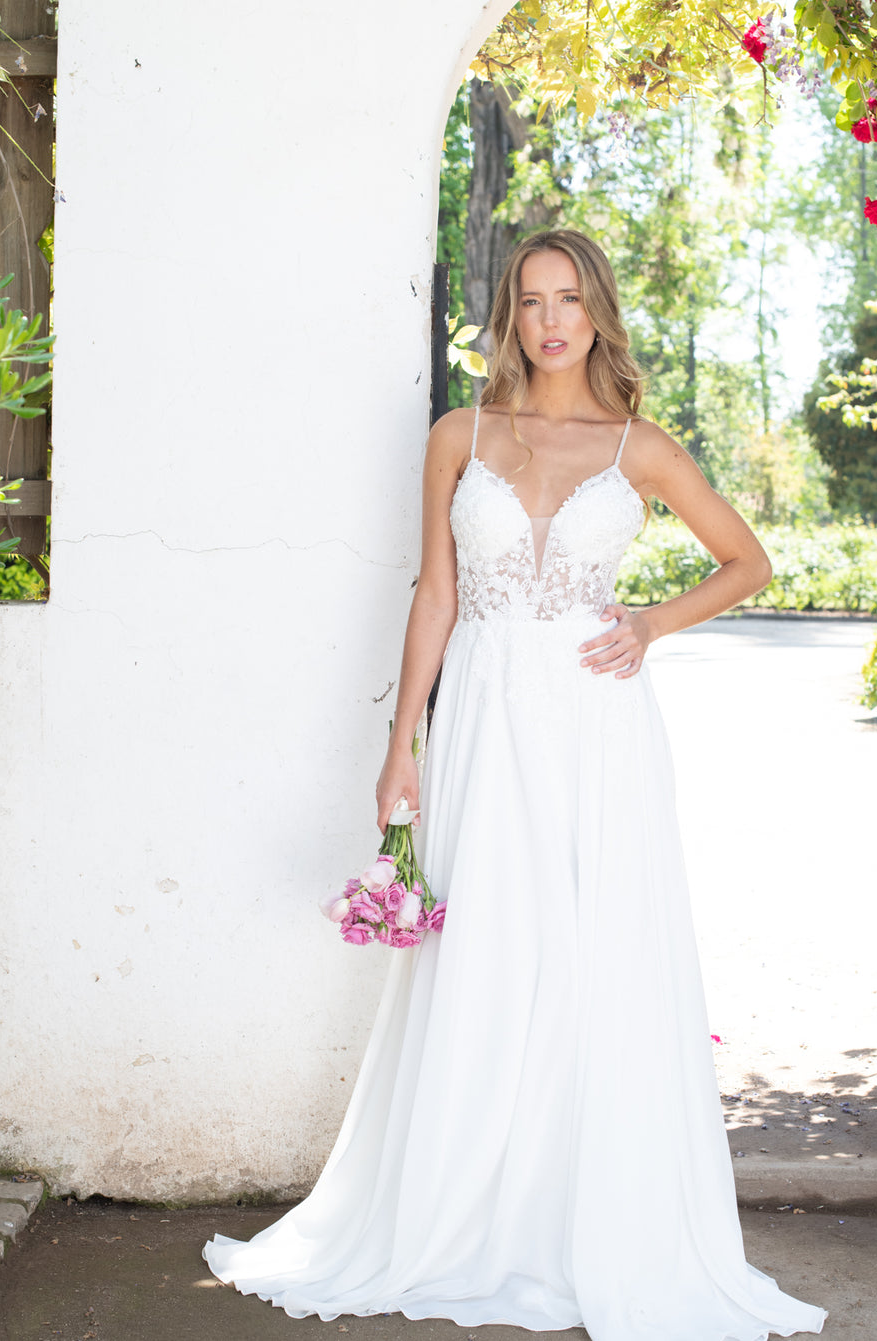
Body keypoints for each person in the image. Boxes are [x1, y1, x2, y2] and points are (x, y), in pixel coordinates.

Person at [204, 229, 827, 1339]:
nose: (550, 320)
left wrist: (649, 622)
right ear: (510, 315)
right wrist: (403, 744)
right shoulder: (461, 434)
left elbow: (749, 562)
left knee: (592, 957)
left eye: (569, 299)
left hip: (599, 735)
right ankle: (466, 1213)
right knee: (489, 951)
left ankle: (582, 1222)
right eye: (532, 300)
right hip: (486, 724)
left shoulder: (640, 446)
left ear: (597, 313)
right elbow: (436, 596)